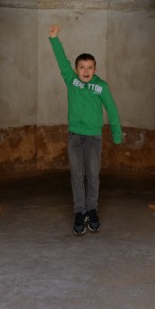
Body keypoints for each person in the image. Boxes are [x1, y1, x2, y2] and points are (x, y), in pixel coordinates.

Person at [48, 24, 122, 235]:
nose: (86, 71)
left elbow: (112, 111)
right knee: (76, 175)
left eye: (90, 68)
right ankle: (79, 212)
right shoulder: (71, 81)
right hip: (74, 137)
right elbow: (62, 62)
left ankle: (92, 210)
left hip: (93, 138)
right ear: (76, 68)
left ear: (95, 70)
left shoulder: (102, 86)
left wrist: (117, 135)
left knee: (92, 175)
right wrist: (54, 39)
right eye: (82, 67)